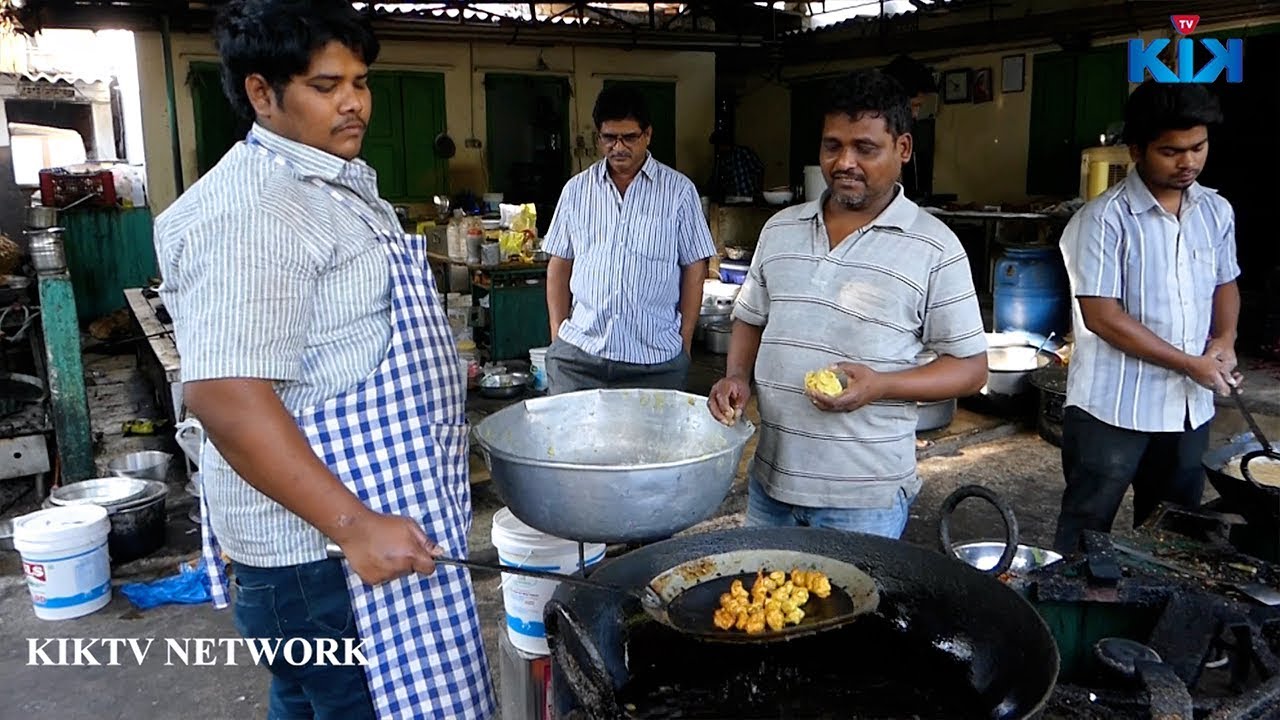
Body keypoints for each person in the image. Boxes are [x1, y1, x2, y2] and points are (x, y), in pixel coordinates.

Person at [153, 2, 493, 718]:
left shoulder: (325, 180)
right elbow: (224, 394)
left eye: (361, 82)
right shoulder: (255, 210)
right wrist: (353, 526)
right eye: (326, 84)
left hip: (353, 532)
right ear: (260, 93)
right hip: (319, 559)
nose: (353, 103)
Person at [706, 70, 987, 539]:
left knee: (851, 611)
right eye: (832, 146)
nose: (845, 162)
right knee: (760, 606)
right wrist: (737, 377)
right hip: (770, 486)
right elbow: (750, 319)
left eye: (865, 148)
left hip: (863, 498)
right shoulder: (780, 229)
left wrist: (880, 385)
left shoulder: (935, 248)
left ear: (903, 149)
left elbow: (972, 368)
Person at [1053, 82, 1240, 554]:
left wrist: (1225, 338)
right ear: (1136, 151)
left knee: (1174, 532)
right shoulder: (1102, 220)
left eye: (1198, 147)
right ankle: (1072, 619)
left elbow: (1225, 282)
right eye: (1171, 151)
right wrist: (1188, 362)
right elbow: (1102, 316)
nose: (1188, 163)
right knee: (1087, 528)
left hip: (1187, 409)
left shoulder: (1216, 211)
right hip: (1112, 410)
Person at [542, 85, 716, 394]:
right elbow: (559, 263)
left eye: (629, 137)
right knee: (574, 442)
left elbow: (694, 268)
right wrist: (557, 334)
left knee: (650, 444)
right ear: (599, 137)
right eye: (609, 138)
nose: (618, 147)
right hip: (579, 358)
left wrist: (685, 340)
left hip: (654, 362)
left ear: (647, 134)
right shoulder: (576, 191)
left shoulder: (679, 192)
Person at [708, 129, 765, 200]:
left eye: (719, 144)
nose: (718, 148)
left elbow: (759, 170)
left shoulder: (743, 152)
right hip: (732, 198)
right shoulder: (721, 160)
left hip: (749, 195)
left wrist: (758, 191)